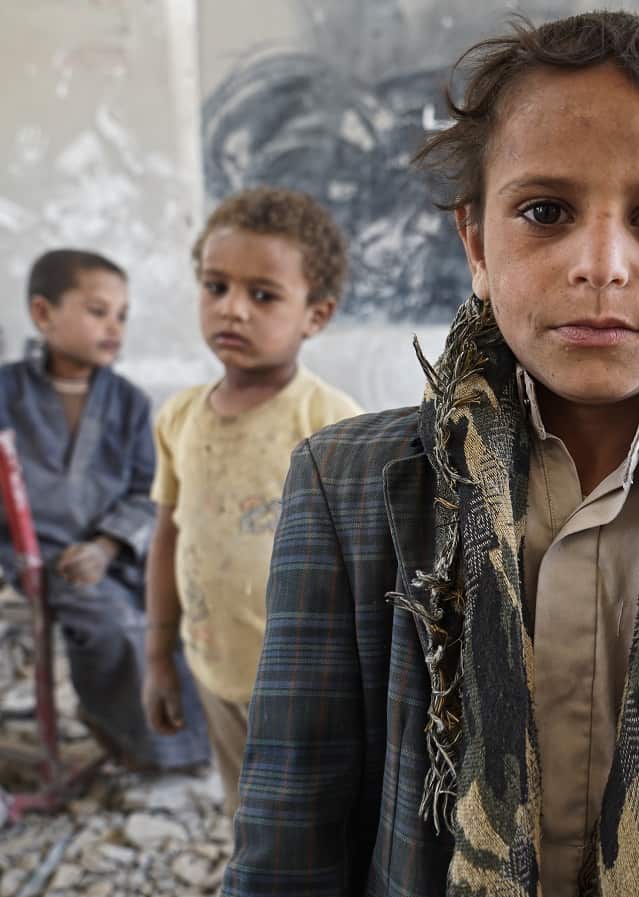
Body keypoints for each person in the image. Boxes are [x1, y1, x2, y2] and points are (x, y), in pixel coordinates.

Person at [222, 12, 639, 897]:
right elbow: (289, 838)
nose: (600, 263)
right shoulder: (345, 488)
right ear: (475, 239)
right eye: (545, 211)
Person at [0, 249, 208, 770]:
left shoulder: (128, 403)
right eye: (98, 311)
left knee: (184, 606)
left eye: (122, 315)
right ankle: (137, 742)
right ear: (43, 314)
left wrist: (106, 546)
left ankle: (196, 741)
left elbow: (151, 491)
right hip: (42, 555)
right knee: (110, 622)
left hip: (117, 548)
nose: (113, 327)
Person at [142, 187, 363, 819]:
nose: (232, 309)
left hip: (306, 685)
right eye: (215, 287)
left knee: (317, 822)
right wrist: (158, 656)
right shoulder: (180, 417)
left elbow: (371, 564)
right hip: (215, 666)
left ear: (315, 315)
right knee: (248, 814)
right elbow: (168, 538)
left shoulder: (330, 421)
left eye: (263, 295)